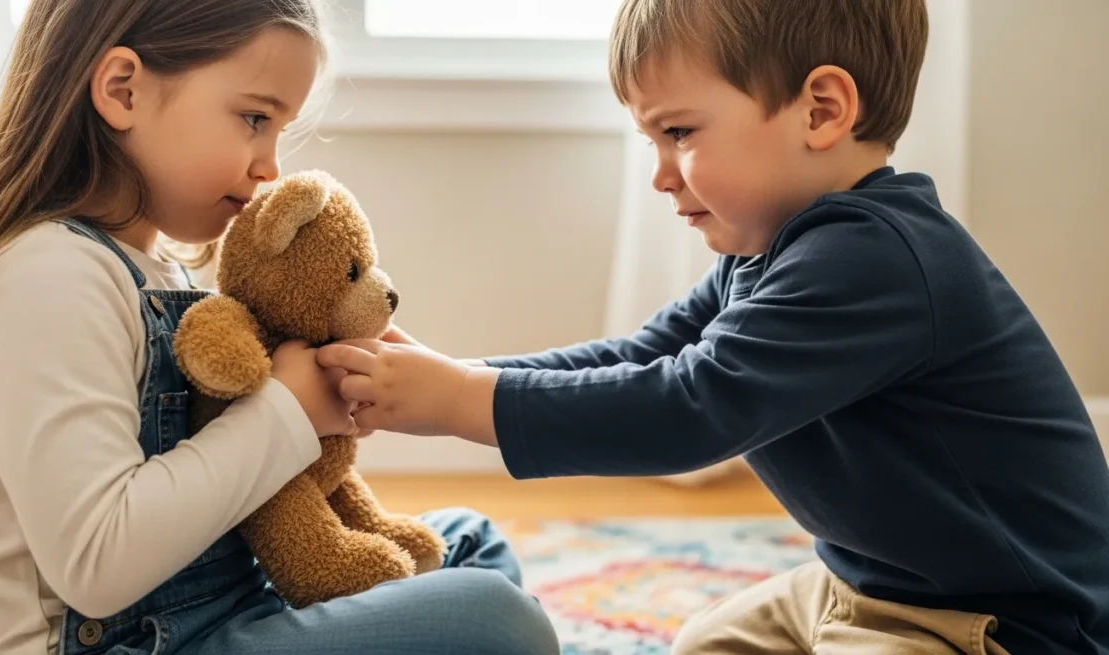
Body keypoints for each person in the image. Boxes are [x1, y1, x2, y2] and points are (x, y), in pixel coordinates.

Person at [316, 0, 1109, 653]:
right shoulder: (773, 249)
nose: (661, 175)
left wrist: (461, 399)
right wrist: (452, 373)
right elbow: (642, 355)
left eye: (680, 134)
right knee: (700, 642)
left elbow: (688, 405)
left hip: (1000, 621)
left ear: (821, 110)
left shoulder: (876, 259)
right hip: (865, 582)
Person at [0, 1, 559, 654]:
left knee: (468, 540)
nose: (270, 165)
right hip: (126, 643)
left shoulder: (157, 270)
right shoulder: (44, 276)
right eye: (254, 118)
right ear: (122, 90)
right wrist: (286, 414)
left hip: (224, 612)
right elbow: (97, 562)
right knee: (498, 620)